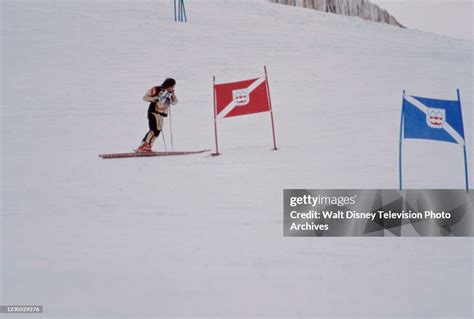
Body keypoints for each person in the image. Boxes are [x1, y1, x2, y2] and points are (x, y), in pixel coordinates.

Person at [136, 78, 178, 152]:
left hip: (161, 114)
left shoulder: (170, 93)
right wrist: (155, 99)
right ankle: (142, 146)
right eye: (172, 86)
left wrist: (172, 96)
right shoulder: (156, 89)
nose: (172, 88)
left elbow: (175, 102)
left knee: (158, 131)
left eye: (173, 86)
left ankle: (148, 147)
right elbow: (145, 98)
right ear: (168, 85)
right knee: (153, 129)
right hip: (153, 111)